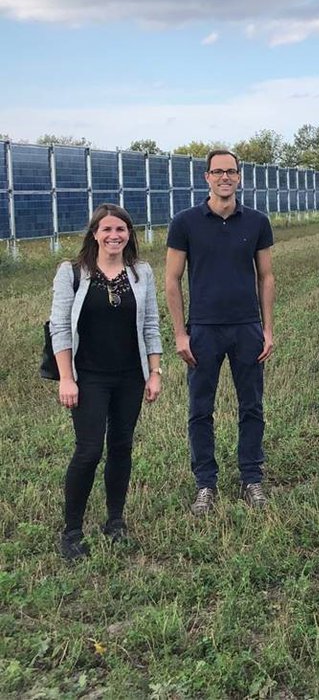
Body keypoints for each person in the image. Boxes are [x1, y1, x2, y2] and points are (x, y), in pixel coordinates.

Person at [49, 204, 163, 560]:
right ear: (94, 234)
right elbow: (60, 328)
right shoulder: (72, 272)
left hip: (130, 375)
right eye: (107, 229)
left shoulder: (141, 273)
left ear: (130, 234)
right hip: (89, 378)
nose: (114, 236)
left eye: (121, 229)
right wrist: (66, 378)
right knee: (88, 450)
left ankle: (115, 521)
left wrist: (154, 371)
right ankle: (72, 531)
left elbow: (151, 326)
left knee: (121, 446)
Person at [166, 149, 275, 515]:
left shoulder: (257, 222)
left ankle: (251, 477)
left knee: (252, 406)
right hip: (203, 330)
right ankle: (205, 484)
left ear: (239, 177)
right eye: (218, 172)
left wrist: (267, 328)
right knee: (200, 409)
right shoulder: (185, 222)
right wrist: (181, 334)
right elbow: (172, 280)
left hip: (246, 327)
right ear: (206, 178)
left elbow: (266, 276)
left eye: (231, 172)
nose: (224, 177)